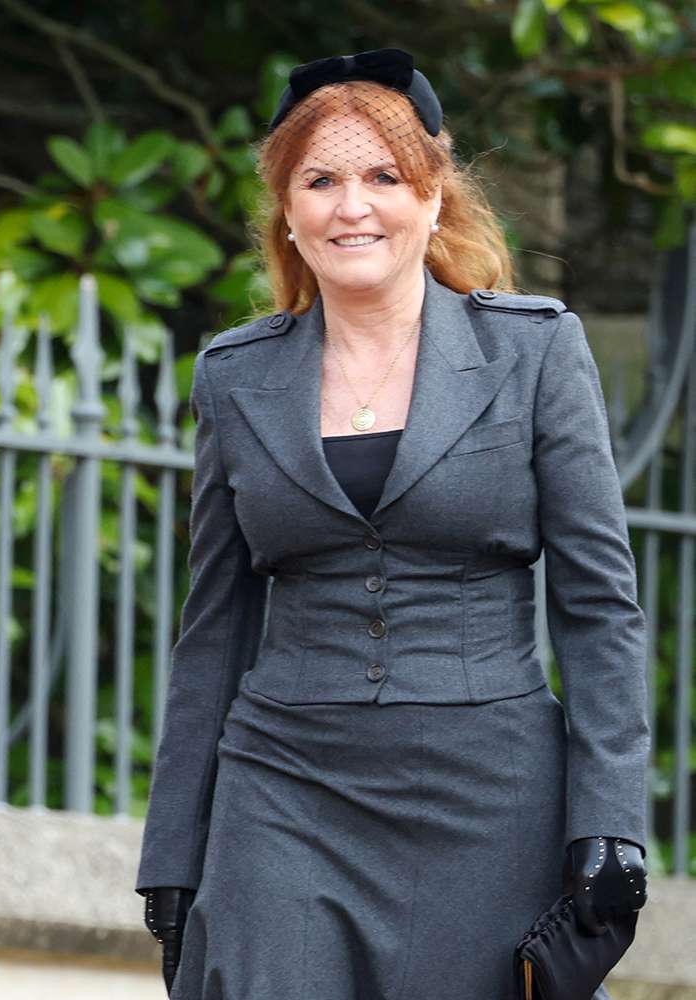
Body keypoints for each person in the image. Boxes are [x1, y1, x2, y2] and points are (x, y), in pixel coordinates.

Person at [136, 49, 649, 999]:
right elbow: (212, 624)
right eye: (320, 180)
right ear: (287, 213)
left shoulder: (534, 350)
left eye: (383, 176)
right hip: (284, 781)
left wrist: (609, 819)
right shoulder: (236, 375)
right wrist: (173, 849)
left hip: (489, 794)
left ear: (434, 197)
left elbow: (598, 606)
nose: (352, 205)